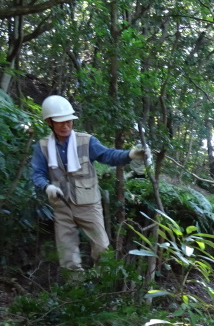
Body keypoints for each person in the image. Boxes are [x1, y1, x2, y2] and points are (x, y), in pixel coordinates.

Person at [31, 95, 149, 272]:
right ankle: (75, 289)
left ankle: (101, 286)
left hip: (89, 204)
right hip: (61, 206)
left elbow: (107, 155)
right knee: (67, 254)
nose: (65, 125)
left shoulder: (86, 141)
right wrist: (46, 186)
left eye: (69, 121)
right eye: (60, 122)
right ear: (49, 122)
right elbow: (37, 173)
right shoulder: (42, 147)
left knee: (102, 248)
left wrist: (129, 155)